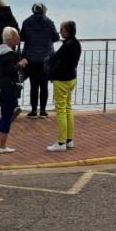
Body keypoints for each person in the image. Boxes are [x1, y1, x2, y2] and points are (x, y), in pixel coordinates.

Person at [46, 20, 82, 152]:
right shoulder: (76, 43)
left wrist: (51, 73)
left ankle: (61, 142)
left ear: (67, 31)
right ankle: (69, 140)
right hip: (71, 78)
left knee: (61, 110)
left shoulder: (67, 45)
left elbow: (61, 64)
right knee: (67, 108)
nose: (60, 32)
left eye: (61, 29)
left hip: (62, 80)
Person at [0, 27, 27, 153]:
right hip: (8, 87)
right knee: (7, 115)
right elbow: (11, 70)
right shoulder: (9, 54)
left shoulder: (1, 52)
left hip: (1, 87)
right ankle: (3, 146)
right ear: (10, 38)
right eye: (16, 36)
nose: (19, 38)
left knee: (5, 114)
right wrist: (21, 64)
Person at [20, 2, 59, 118]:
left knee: (33, 86)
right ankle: (43, 111)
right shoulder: (49, 22)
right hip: (46, 59)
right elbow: (56, 38)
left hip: (30, 59)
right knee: (44, 86)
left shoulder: (26, 22)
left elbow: (22, 37)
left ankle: (33, 111)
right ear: (43, 10)